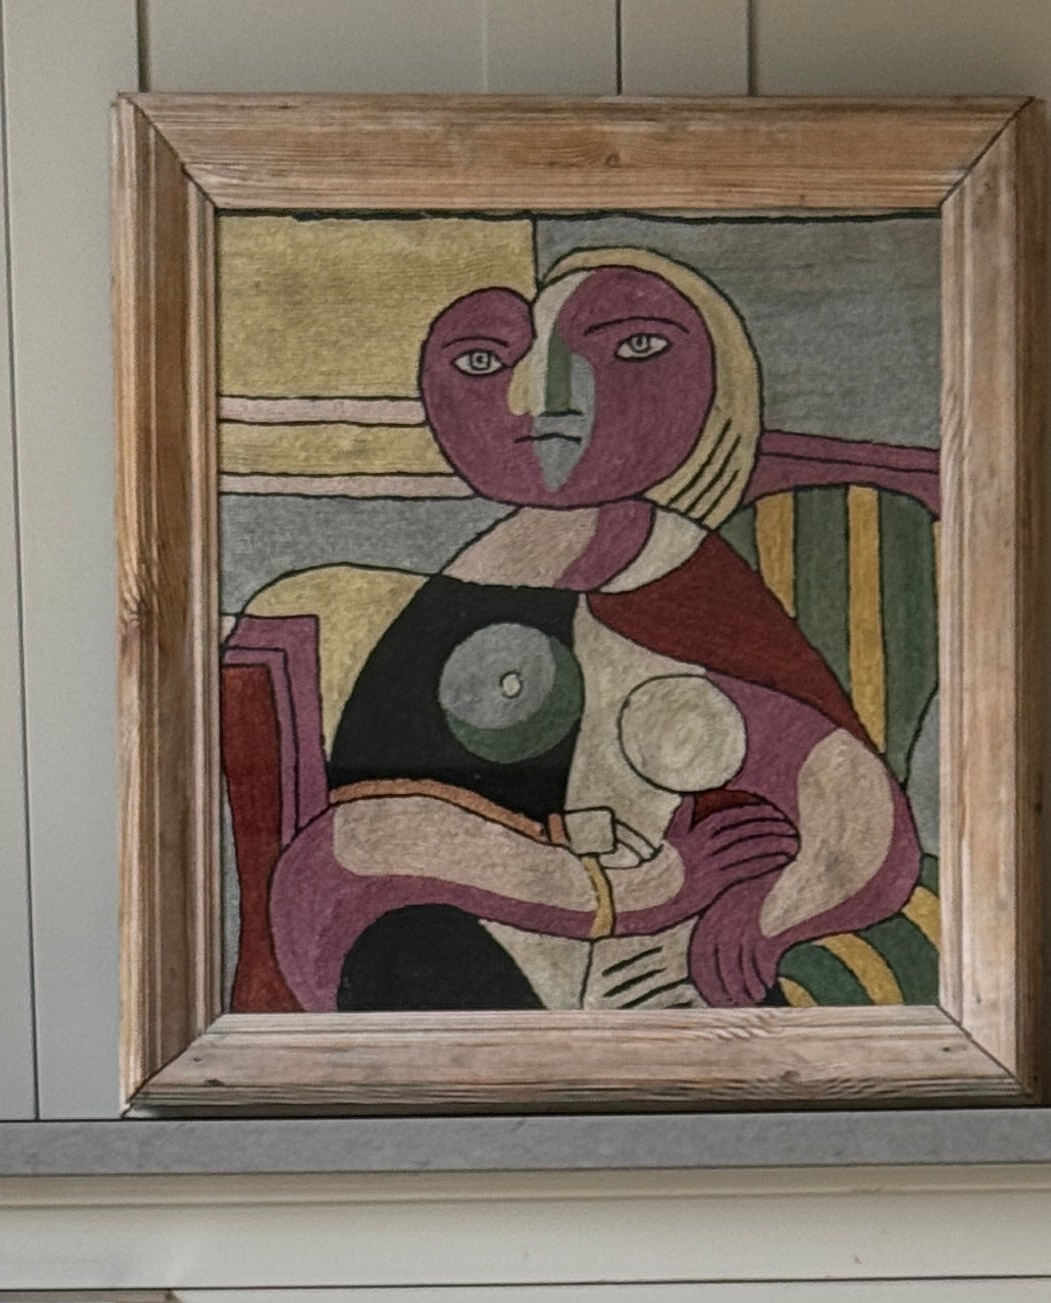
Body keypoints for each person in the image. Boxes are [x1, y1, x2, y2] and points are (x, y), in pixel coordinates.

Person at [258, 250, 921, 1015]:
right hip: (468, 958)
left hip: (654, 979)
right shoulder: (468, 592)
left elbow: (856, 812)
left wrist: (765, 917)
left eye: (632, 348)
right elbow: (363, 844)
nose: (546, 402)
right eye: (483, 360)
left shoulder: (685, 583)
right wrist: (635, 890)